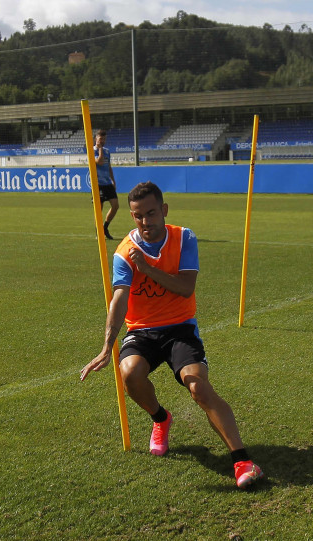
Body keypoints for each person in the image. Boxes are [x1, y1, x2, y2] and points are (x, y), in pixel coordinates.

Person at [80, 181, 264, 489]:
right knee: (130, 374)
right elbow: (119, 299)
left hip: (179, 327)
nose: (145, 222)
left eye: (151, 213)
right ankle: (160, 419)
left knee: (198, 386)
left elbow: (185, 287)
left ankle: (243, 462)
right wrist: (105, 346)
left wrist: (148, 268)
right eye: (138, 216)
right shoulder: (124, 252)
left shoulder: (184, 238)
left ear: (163, 210)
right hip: (141, 331)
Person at [94, 129, 118, 240]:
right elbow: (99, 161)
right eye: (100, 139)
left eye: (104, 139)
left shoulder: (107, 151)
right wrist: (99, 149)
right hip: (98, 184)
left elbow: (108, 166)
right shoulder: (92, 150)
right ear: (96, 139)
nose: (102, 141)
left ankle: (105, 227)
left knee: (115, 205)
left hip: (107, 183)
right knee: (99, 209)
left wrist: (113, 180)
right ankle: (98, 232)